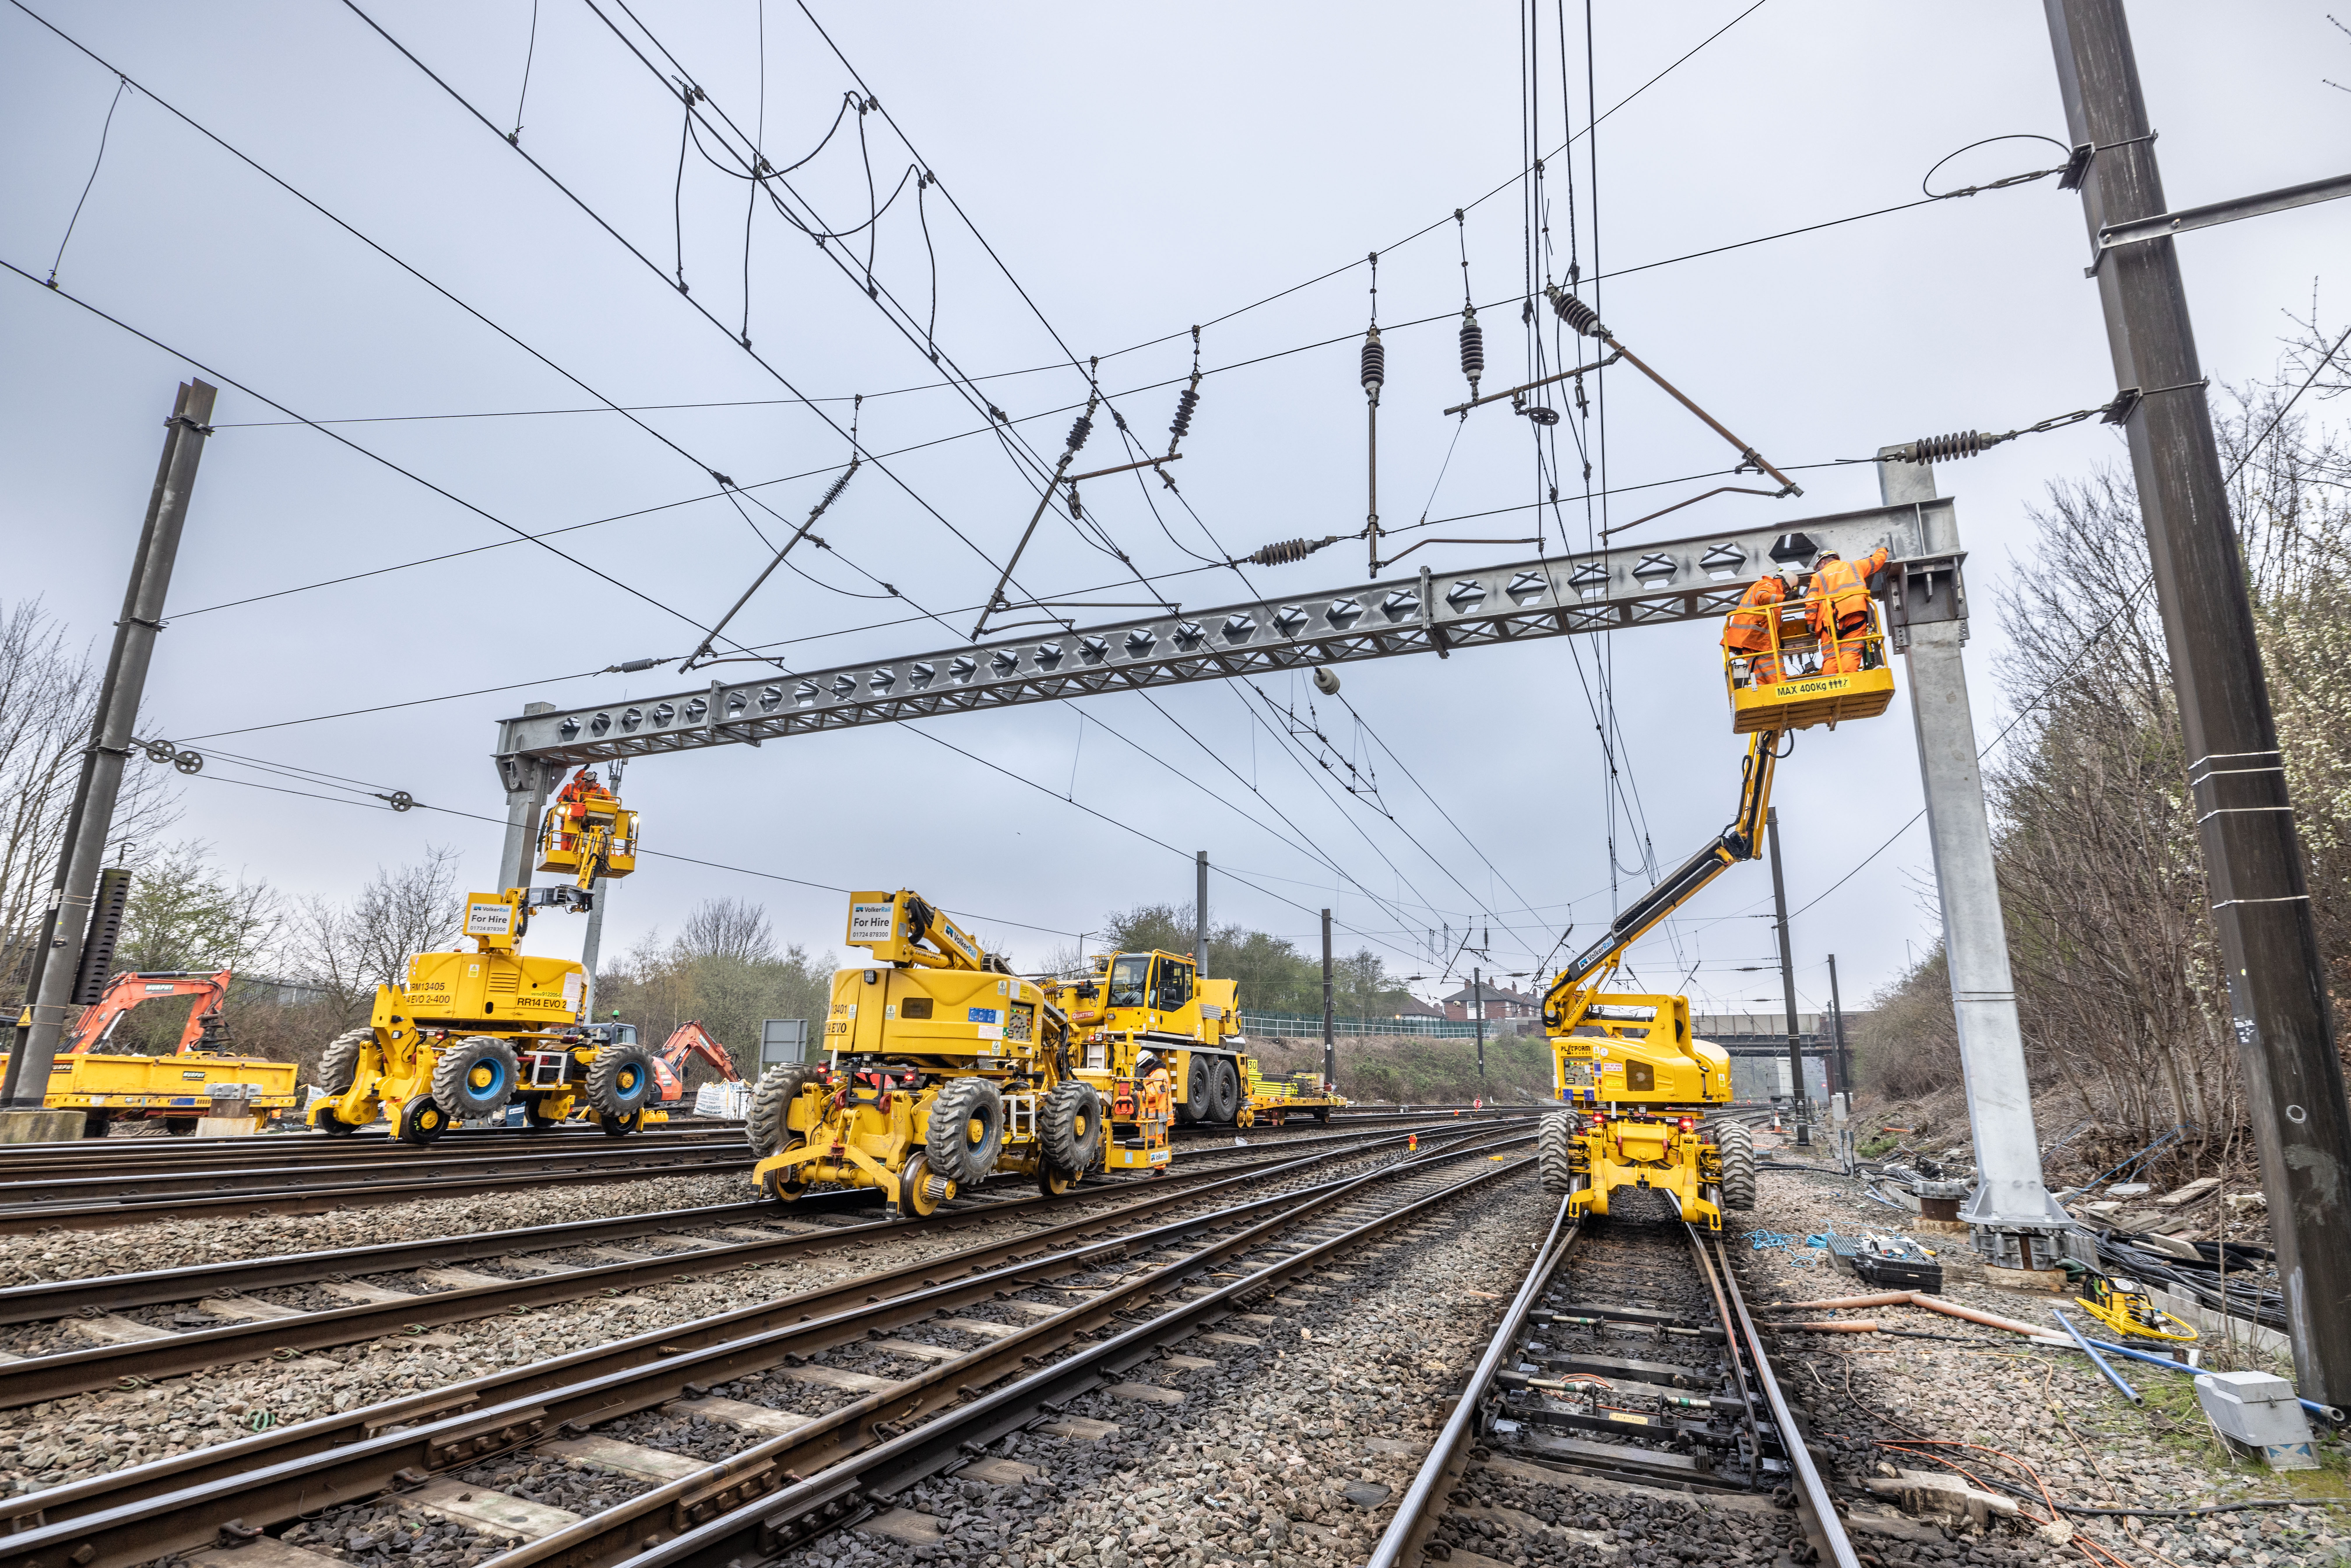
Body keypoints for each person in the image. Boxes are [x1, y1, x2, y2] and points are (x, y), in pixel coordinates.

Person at [1806, 545, 1889, 673]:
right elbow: (1877, 561)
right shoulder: (1855, 566)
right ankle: (1849, 681)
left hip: (1830, 622)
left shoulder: (1818, 576)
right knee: (1851, 650)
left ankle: (1832, 686)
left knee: (1831, 657)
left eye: (1818, 566)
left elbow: (1812, 601)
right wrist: (1883, 550)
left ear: (1823, 562)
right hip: (1855, 614)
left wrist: (1811, 622)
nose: (1818, 569)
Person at [1721, 571, 1789, 686]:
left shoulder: (1772, 590)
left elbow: (1775, 623)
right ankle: (1784, 693)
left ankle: (1767, 697)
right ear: (1783, 582)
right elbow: (1763, 597)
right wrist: (1784, 598)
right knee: (1776, 674)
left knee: (1758, 677)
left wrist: (1779, 640)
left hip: (1750, 640)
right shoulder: (1769, 585)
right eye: (1788, 589)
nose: (1786, 592)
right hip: (1757, 639)